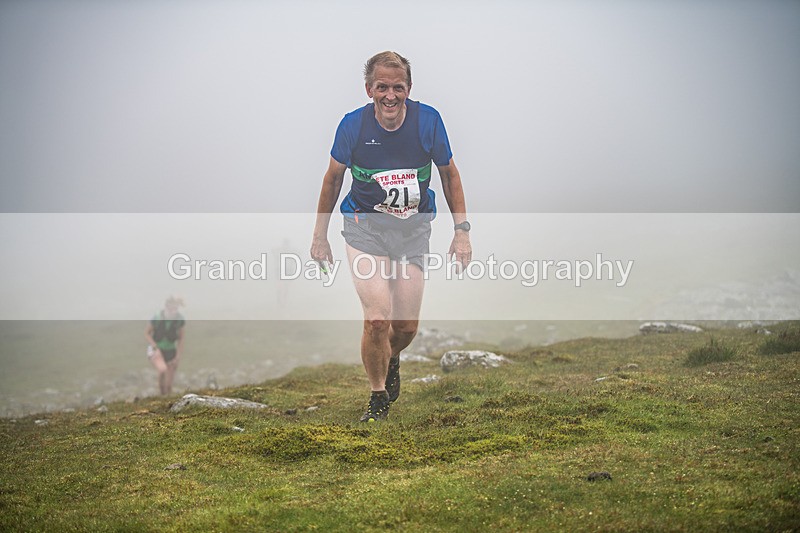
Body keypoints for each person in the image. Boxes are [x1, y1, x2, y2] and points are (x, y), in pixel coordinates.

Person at [311, 51, 471, 422]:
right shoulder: (352, 126)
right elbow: (332, 179)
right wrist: (320, 237)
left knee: (405, 327)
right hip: (364, 228)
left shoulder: (428, 121)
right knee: (378, 319)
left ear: (409, 90)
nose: (390, 95)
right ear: (369, 89)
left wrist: (461, 232)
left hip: (413, 231)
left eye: (398, 87)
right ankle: (378, 396)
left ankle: (392, 356)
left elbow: (450, 176)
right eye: (382, 87)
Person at [144, 296, 186, 395]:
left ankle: (167, 399)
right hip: (156, 349)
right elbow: (146, 333)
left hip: (171, 350)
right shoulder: (157, 317)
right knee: (162, 370)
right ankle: (161, 395)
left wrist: (178, 356)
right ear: (166, 306)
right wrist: (155, 346)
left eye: (175, 308)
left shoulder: (179, 320)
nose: (173, 311)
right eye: (171, 308)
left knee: (169, 383)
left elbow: (181, 338)